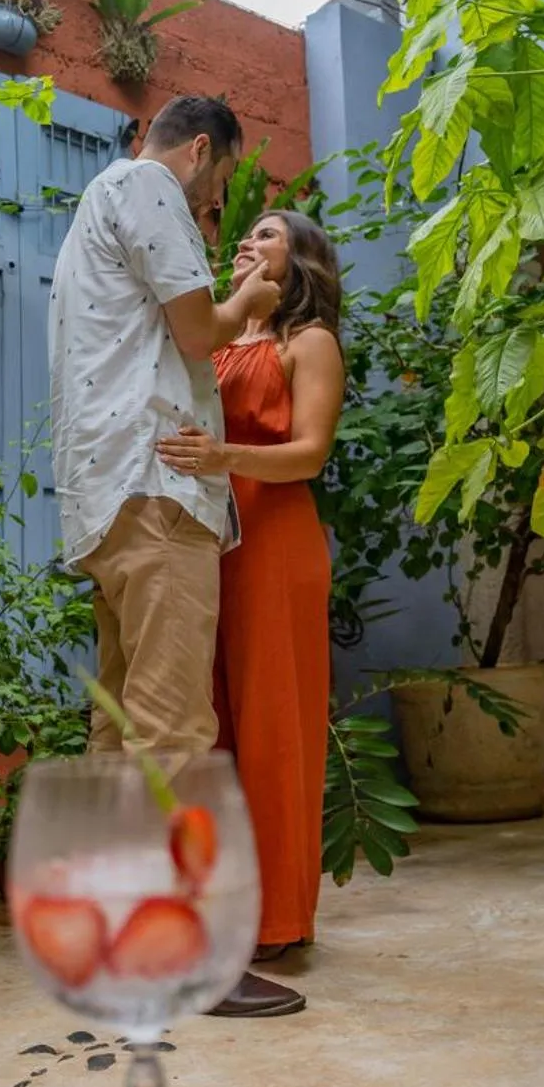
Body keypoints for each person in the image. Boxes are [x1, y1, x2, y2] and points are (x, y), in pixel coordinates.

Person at [48, 95, 280, 763]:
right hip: (156, 485)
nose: (218, 200)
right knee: (170, 731)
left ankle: (108, 869)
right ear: (200, 150)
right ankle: (164, 873)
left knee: (119, 728)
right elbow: (197, 331)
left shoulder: (99, 203)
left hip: (110, 489)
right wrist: (249, 302)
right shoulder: (148, 185)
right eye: (224, 179)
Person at [157, 209, 345, 1016]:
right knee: (212, 726)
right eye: (245, 234)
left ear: (299, 258)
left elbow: (308, 455)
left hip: (274, 543)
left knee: (272, 725)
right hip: (208, 539)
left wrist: (224, 456)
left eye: (266, 233)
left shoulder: (310, 344)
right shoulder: (220, 341)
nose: (246, 240)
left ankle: (275, 919)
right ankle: (218, 907)